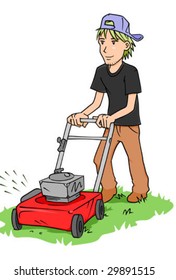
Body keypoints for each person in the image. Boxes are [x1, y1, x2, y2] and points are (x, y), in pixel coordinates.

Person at [67, 14, 149, 203]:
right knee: (99, 158)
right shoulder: (101, 72)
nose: (105, 48)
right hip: (110, 125)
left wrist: (111, 117)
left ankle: (141, 189)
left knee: (134, 159)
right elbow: (96, 103)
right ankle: (109, 187)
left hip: (129, 124)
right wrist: (82, 115)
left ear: (126, 45)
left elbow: (130, 106)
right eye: (102, 42)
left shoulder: (131, 72)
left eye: (113, 42)